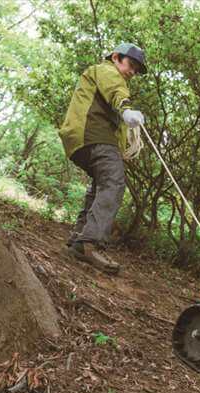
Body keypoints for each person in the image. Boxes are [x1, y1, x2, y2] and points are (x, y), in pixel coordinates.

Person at [58, 42, 147, 274]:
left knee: (101, 184)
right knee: (114, 182)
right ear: (116, 57)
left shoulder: (104, 75)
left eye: (137, 70)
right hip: (91, 135)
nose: (132, 72)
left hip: (82, 140)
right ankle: (90, 243)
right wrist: (126, 109)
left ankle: (79, 238)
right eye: (131, 64)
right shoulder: (107, 71)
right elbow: (116, 90)